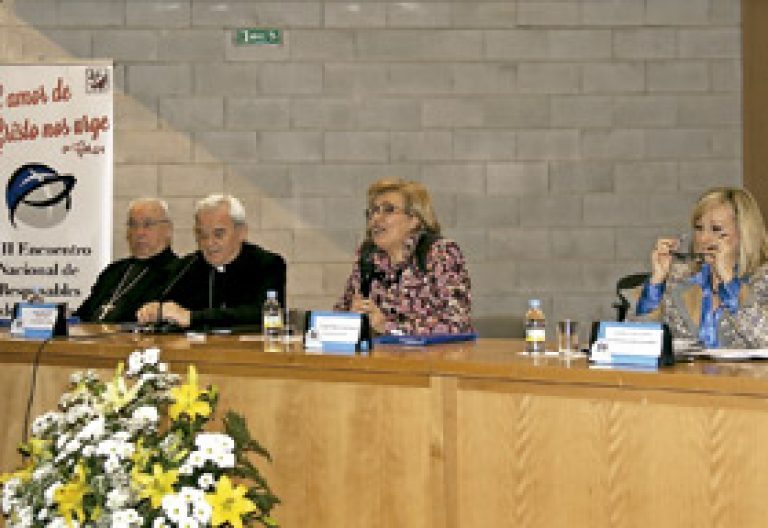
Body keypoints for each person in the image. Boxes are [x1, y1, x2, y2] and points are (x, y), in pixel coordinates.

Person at [632, 187, 768, 348]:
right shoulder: (677, 278)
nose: (703, 238)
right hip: (686, 374)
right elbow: (634, 341)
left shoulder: (762, 280)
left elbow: (764, 339)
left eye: (716, 229)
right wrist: (656, 283)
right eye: (698, 228)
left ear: (744, 233)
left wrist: (729, 283)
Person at [334, 178, 473, 335]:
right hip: (382, 357)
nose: (376, 218)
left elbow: (456, 323)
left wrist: (387, 326)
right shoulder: (368, 256)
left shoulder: (440, 252)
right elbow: (341, 310)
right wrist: (350, 319)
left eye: (388, 210)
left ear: (414, 219)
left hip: (436, 357)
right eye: (373, 211)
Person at [136, 194, 286, 330]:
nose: (209, 243)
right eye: (202, 235)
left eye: (218, 234)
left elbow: (259, 314)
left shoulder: (267, 264)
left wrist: (191, 317)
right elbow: (167, 308)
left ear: (242, 232)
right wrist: (155, 310)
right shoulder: (184, 268)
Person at [75, 198, 178, 323]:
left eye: (148, 224)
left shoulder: (178, 273)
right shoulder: (113, 271)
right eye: (133, 225)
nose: (139, 232)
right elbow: (82, 315)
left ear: (168, 229)